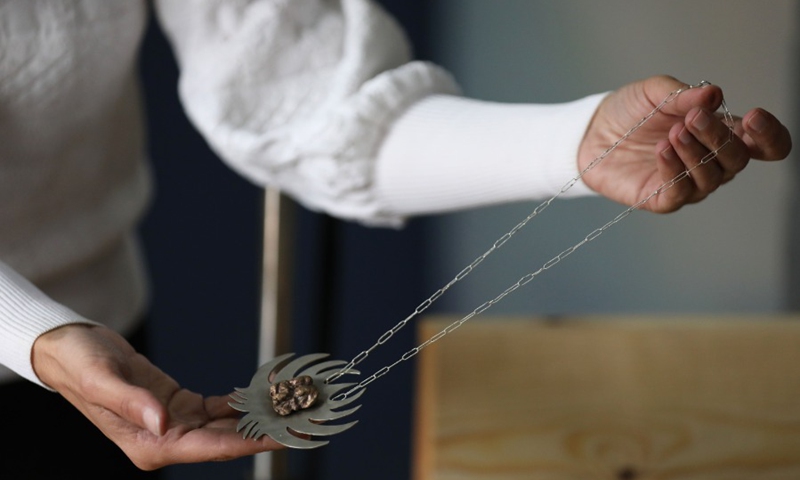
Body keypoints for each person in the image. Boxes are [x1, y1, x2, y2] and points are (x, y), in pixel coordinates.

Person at [0, 0, 792, 476]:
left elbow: (311, 104)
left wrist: (576, 144)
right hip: (69, 349)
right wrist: (33, 333)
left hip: (97, 378)